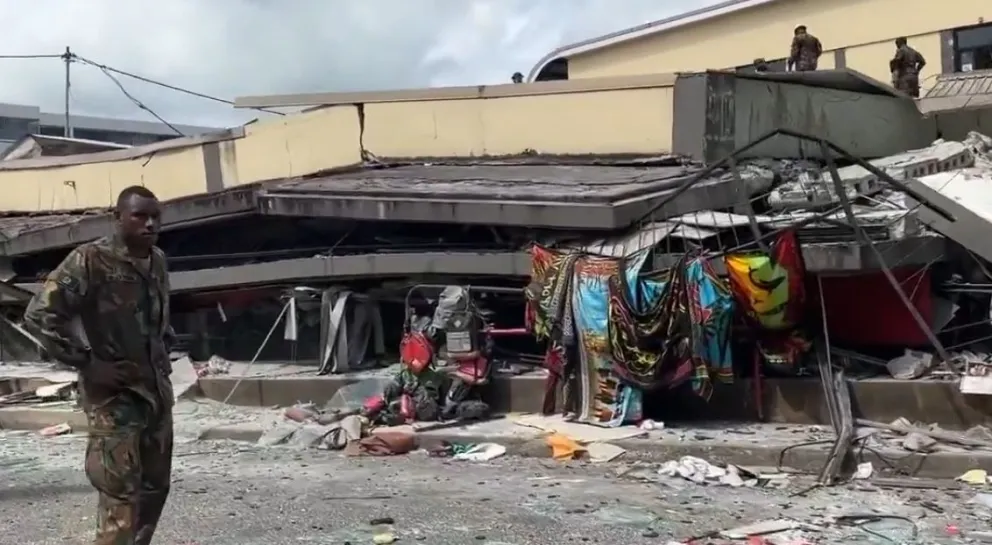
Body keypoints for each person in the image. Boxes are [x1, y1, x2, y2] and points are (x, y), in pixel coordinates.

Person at [25, 185, 175, 545]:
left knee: (155, 488)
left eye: (155, 216)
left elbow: (159, 319)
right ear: (118, 218)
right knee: (119, 494)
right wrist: (88, 364)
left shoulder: (158, 261)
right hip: (114, 397)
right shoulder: (91, 259)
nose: (150, 223)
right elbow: (40, 315)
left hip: (155, 392)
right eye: (140, 215)